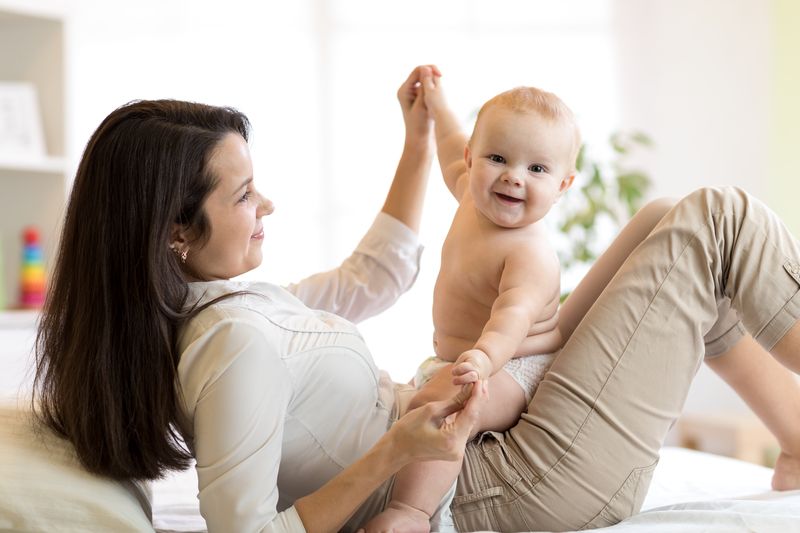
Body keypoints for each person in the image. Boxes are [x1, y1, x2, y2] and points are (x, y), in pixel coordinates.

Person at [32, 62, 800, 533]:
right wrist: (397, 452)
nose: (268, 205)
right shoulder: (231, 349)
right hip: (499, 486)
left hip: (483, 447)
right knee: (716, 219)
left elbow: (377, 274)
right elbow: (247, 531)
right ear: (174, 231)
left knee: (673, 231)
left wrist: (417, 140)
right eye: (243, 194)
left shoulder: (235, 308)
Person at [364, 75, 580, 532]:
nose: (513, 176)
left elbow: (512, 319)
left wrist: (482, 362)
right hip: (464, 356)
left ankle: (412, 513)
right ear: (471, 159)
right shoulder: (469, 195)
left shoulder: (530, 254)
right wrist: (436, 105)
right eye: (497, 158)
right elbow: (449, 140)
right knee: (403, 404)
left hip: (516, 365)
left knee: (444, 407)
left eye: (537, 169)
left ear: (563, 184)